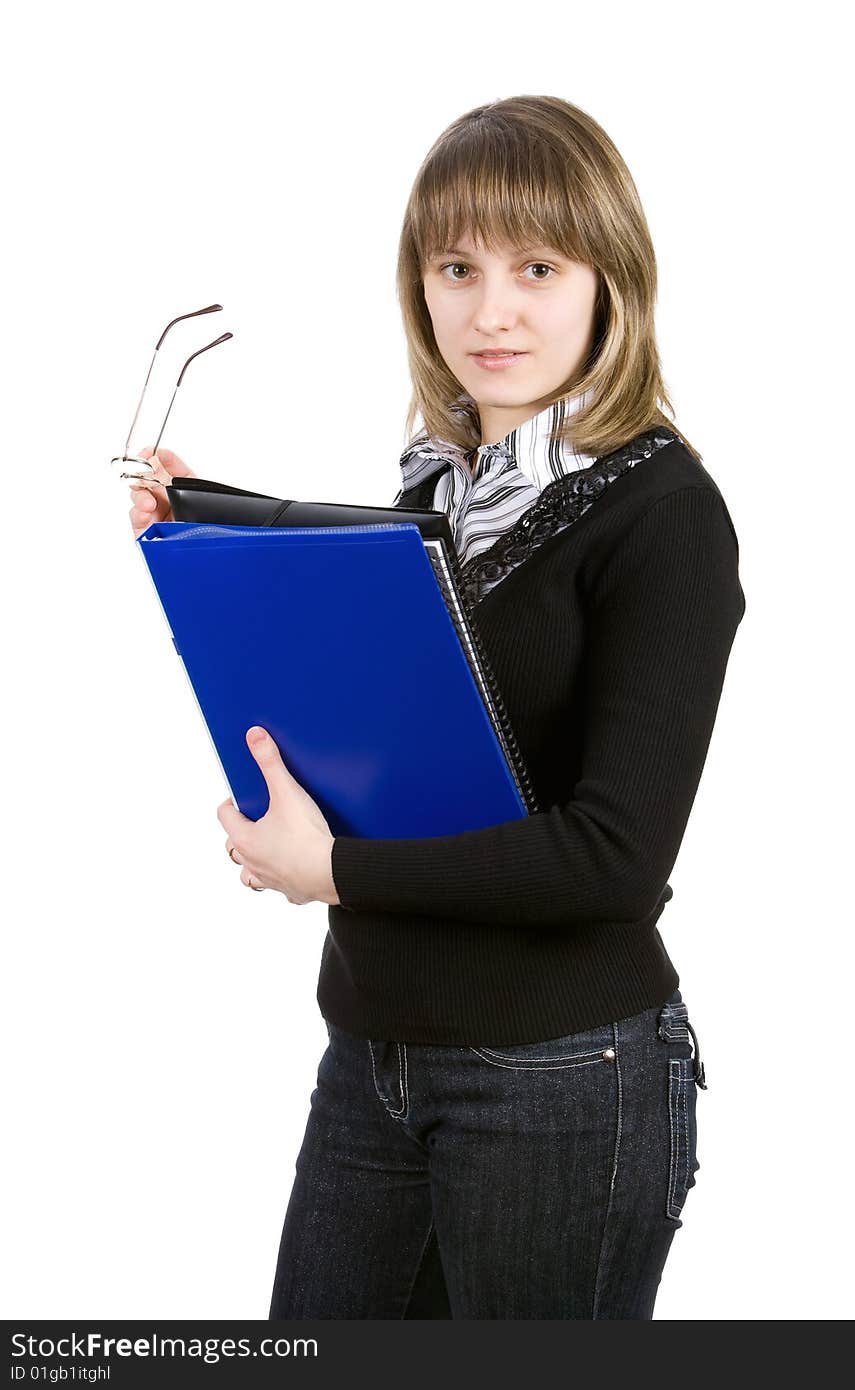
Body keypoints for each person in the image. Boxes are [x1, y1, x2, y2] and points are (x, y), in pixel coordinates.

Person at [129, 94, 746, 1320]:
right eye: (454, 267)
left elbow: (613, 858)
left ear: (608, 279)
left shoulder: (665, 516)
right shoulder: (435, 486)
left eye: (535, 265)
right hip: (374, 1052)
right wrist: (220, 534)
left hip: (563, 1071)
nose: (490, 309)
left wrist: (337, 869)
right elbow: (412, 727)